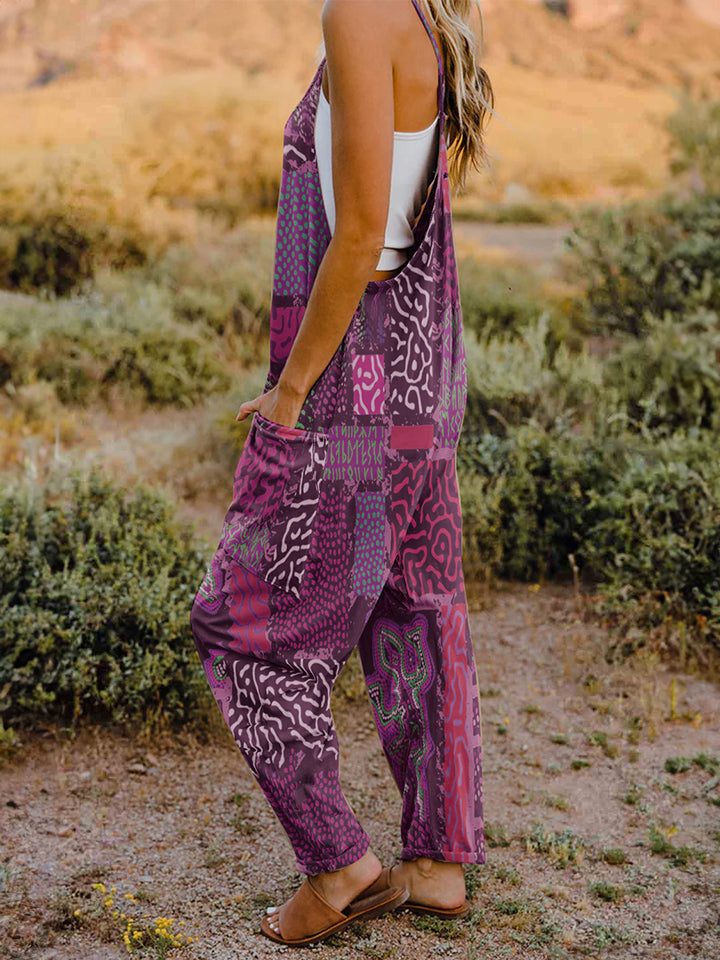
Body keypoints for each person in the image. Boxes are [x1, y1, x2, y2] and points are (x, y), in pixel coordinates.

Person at [190, 0, 496, 947]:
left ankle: (339, 867)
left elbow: (363, 229)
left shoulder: (360, 9)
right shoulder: (423, 11)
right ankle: (439, 863)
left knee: (241, 626)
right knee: (418, 605)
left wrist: (289, 391)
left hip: (360, 383)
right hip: (420, 368)